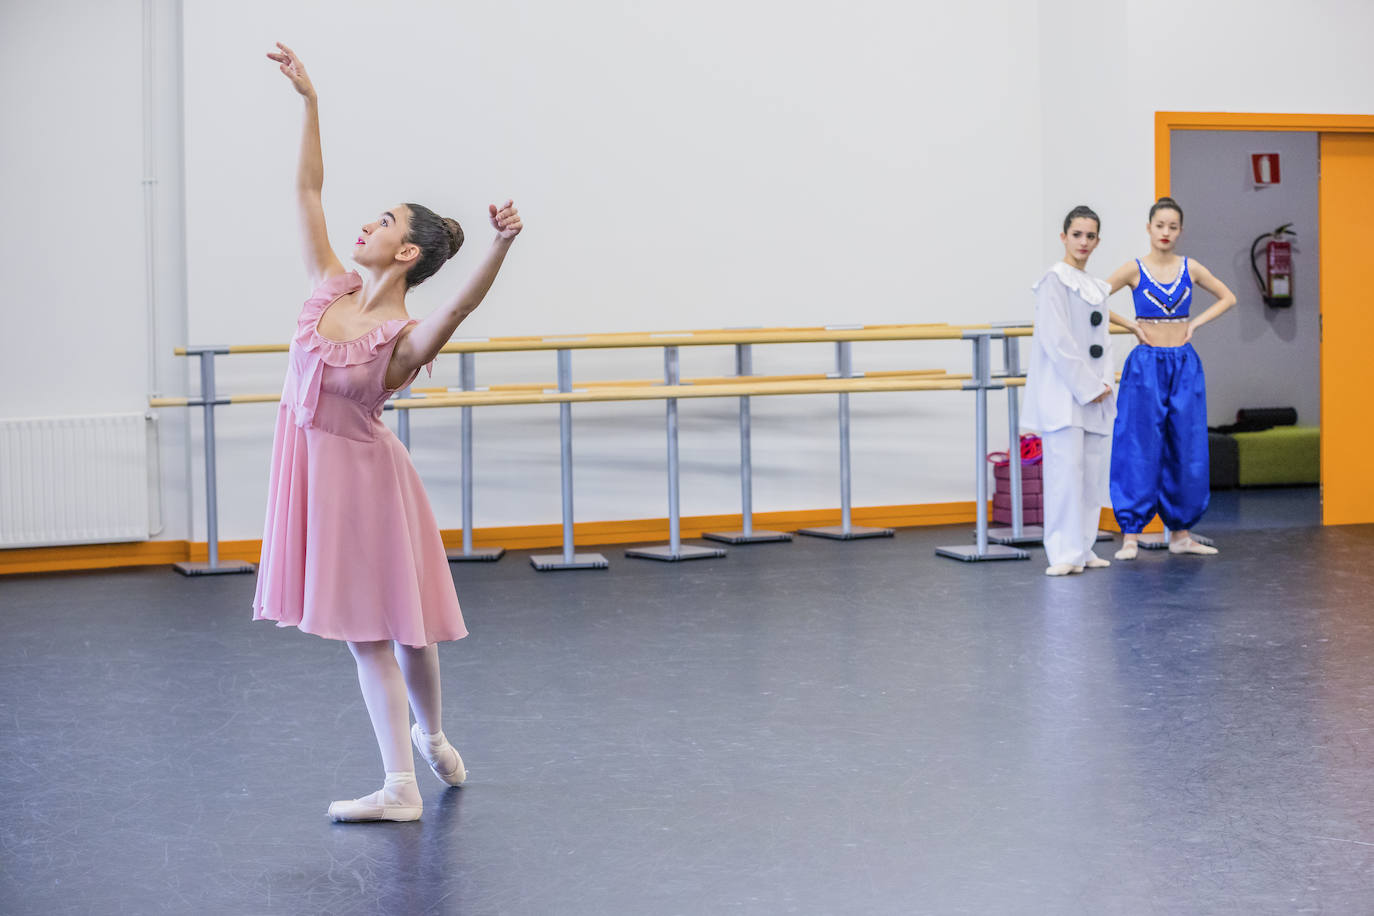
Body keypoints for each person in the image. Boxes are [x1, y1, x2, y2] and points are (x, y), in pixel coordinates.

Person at [251, 42, 523, 822]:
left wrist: (501, 245)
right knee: (391, 631)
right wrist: (309, 101)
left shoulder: (401, 340)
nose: (365, 224)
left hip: (366, 482)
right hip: (316, 471)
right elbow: (308, 187)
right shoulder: (326, 287)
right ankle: (427, 746)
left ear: (406, 253)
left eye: (385, 221)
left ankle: (408, 777)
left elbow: (459, 310)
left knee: (391, 630)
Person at [1105, 197, 1234, 560]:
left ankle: (1181, 533)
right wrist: (1130, 324)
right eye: (1159, 225)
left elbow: (1228, 297)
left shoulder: (1190, 268)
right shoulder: (1134, 269)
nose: (1165, 232)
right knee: (1138, 443)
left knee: (1186, 445)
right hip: (1145, 365)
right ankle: (1130, 534)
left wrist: (1195, 323)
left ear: (1180, 231)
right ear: (1149, 228)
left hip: (1184, 364)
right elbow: (1092, 296)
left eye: (1172, 227)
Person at [1022, 206, 1115, 576]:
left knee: (1090, 473)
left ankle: (1083, 545)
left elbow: (1103, 340)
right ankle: (1063, 550)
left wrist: (1105, 383)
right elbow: (1056, 340)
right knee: (1065, 471)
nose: (1083, 242)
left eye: (1090, 236)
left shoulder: (1096, 287)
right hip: (1065, 393)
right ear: (1064, 237)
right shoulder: (1053, 281)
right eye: (1077, 234)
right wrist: (1087, 386)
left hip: (1095, 393)